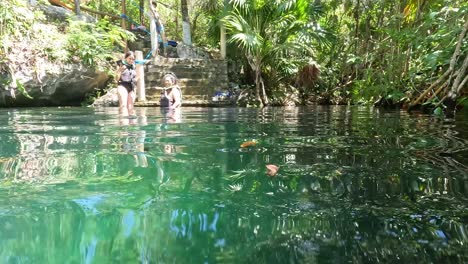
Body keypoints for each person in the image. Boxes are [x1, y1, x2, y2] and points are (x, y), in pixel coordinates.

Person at [116, 51, 137, 116]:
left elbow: (136, 77)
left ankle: (131, 123)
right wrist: (120, 70)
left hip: (131, 86)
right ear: (126, 58)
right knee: (123, 105)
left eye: (133, 59)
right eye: (129, 58)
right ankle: (123, 123)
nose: (131, 60)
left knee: (130, 107)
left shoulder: (134, 66)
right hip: (122, 85)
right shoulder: (120, 64)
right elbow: (116, 79)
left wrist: (135, 87)